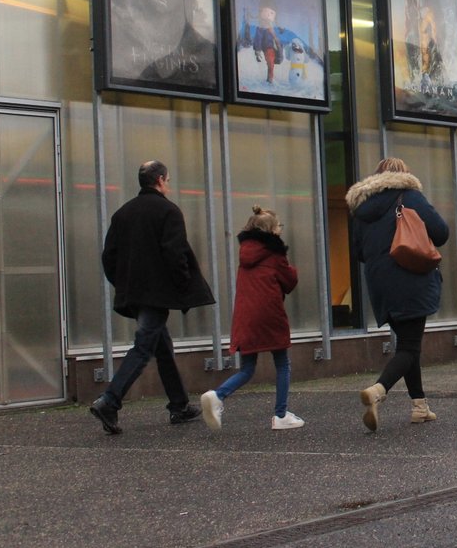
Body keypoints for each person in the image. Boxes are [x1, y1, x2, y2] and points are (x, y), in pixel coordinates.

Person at [90, 160, 215, 434]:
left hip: (132, 294)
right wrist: (182, 286)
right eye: (167, 180)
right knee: (144, 346)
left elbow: (108, 257)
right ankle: (109, 401)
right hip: (156, 294)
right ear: (159, 180)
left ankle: (179, 405)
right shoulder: (168, 211)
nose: (168, 184)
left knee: (162, 346)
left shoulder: (122, 213)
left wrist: (122, 283)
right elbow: (175, 254)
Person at [346, 157, 450, 432]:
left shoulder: (361, 207)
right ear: (403, 174)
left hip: (380, 284)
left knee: (407, 342)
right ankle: (378, 390)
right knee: (409, 347)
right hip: (411, 278)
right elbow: (441, 233)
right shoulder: (409, 195)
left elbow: (358, 252)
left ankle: (420, 407)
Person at [200, 206, 302, 431]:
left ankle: (217, 395)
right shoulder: (275, 255)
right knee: (282, 364)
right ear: (271, 231)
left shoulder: (245, 253)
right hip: (270, 315)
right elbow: (289, 281)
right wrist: (290, 267)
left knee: (247, 368)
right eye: (278, 227)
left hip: (245, 317)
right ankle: (281, 415)